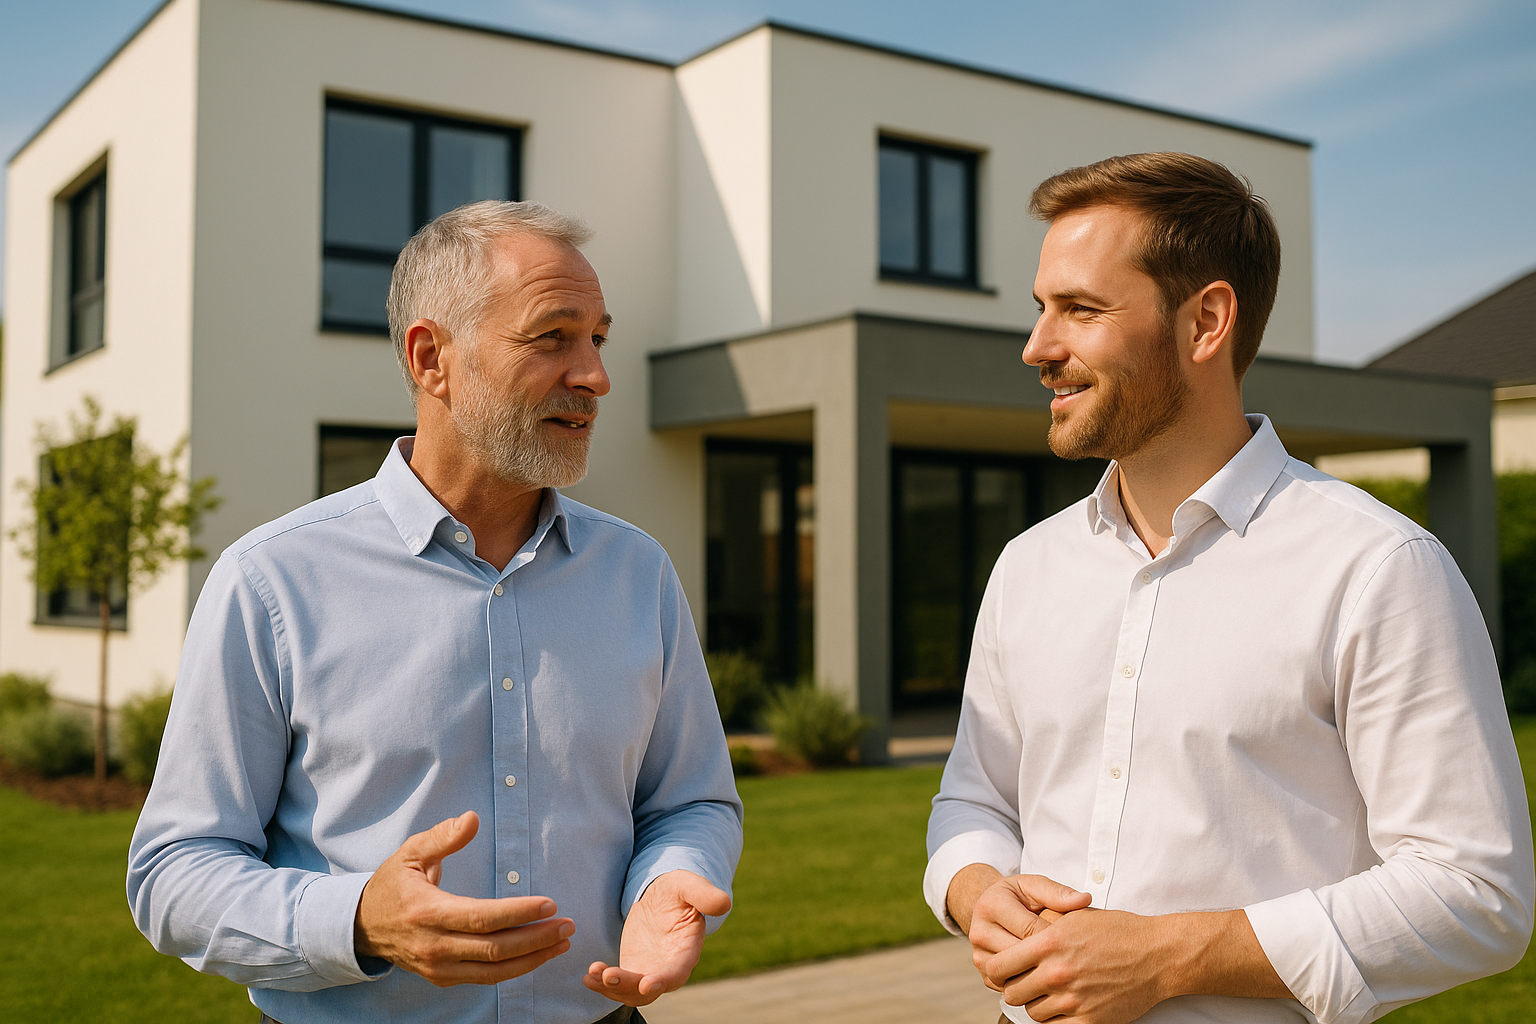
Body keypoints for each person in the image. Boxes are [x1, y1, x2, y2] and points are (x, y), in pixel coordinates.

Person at [924, 152, 1533, 1024]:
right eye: (1041, 309)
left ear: (1206, 321)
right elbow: (973, 799)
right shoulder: (1028, 568)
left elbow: (1479, 894)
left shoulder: (1376, 568)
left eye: (1081, 311)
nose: (1038, 348)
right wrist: (979, 890)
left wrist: (1169, 958)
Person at [128, 201, 744, 1024]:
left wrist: (668, 876)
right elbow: (175, 869)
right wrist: (357, 922)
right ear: (432, 358)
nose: (595, 374)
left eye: (599, 338)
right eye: (553, 336)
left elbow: (690, 800)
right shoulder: (270, 582)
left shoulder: (639, 573)